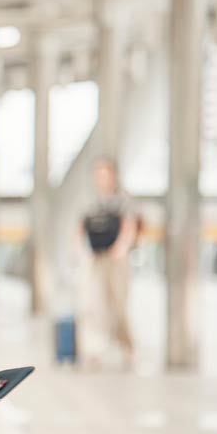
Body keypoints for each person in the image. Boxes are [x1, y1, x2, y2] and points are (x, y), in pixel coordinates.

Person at [76, 156, 138, 370]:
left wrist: (121, 247)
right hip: (96, 257)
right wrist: (81, 251)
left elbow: (129, 225)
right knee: (93, 304)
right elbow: (80, 226)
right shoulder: (89, 200)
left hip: (117, 259)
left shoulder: (122, 199)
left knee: (118, 304)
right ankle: (93, 351)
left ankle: (127, 346)